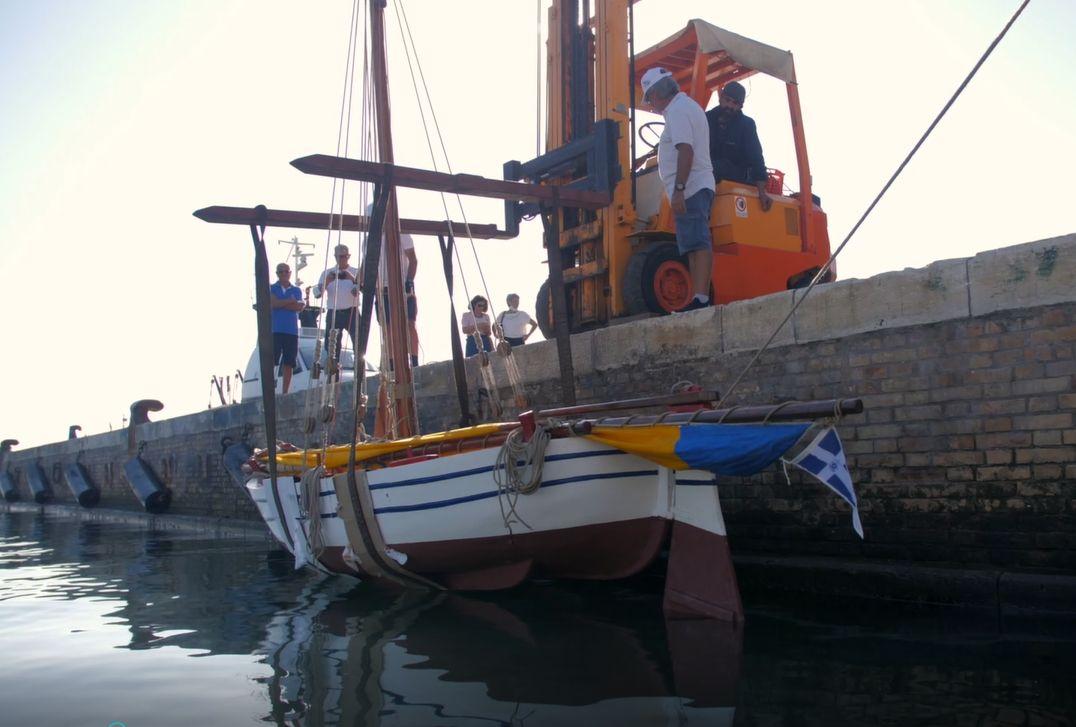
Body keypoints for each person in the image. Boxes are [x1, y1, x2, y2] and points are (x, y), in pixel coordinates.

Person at [641, 66, 715, 313]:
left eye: (649, 98)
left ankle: (701, 298)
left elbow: (686, 150)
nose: (651, 104)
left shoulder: (678, 111)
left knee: (698, 242)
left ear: (657, 92)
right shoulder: (683, 108)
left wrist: (680, 189)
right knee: (692, 244)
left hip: (691, 187)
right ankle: (698, 297)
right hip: (690, 186)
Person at [705, 80, 773, 212]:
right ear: (721, 98)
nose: (730, 106)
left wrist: (762, 193)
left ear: (741, 106)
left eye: (735, 103)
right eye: (727, 100)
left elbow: (756, 158)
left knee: (715, 167)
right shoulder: (706, 118)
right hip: (708, 170)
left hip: (737, 174)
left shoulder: (746, 125)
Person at [312, 244, 360, 359]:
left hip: (352, 312)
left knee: (359, 343)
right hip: (334, 312)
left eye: (344, 256)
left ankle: (358, 369)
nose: (341, 259)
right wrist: (327, 281)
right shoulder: (327, 273)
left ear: (348, 256)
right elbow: (317, 294)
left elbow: (360, 291)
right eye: (339, 256)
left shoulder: (356, 272)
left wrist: (352, 279)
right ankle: (333, 371)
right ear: (335, 257)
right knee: (331, 347)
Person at [269, 262, 304, 394]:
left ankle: (285, 391)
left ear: (290, 273)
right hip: (275, 330)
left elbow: (299, 307)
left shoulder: (296, 290)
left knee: (289, 362)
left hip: (291, 331)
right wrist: (290, 301)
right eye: (280, 272)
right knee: (272, 360)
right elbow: (273, 304)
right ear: (277, 274)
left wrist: (281, 303)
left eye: (286, 271)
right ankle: (270, 389)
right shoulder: (272, 288)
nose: (283, 274)